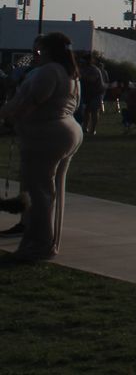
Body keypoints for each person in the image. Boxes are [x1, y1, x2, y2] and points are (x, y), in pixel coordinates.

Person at [0, 32, 85, 262]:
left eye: (38, 51)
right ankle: (46, 240)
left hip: (45, 136)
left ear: (49, 51)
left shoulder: (49, 71)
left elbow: (32, 102)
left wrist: (10, 120)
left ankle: (39, 245)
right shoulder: (70, 73)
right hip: (65, 132)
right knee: (49, 191)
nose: (35, 56)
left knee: (38, 193)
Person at [77, 52, 108, 136]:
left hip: (97, 92)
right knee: (86, 111)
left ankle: (93, 129)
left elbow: (92, 79)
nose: (81, 62)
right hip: (87, 93)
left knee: (94, 110)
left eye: (83, 61)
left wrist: (81, 76)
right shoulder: (82, 69)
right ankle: (84, 128)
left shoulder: (94, 69)